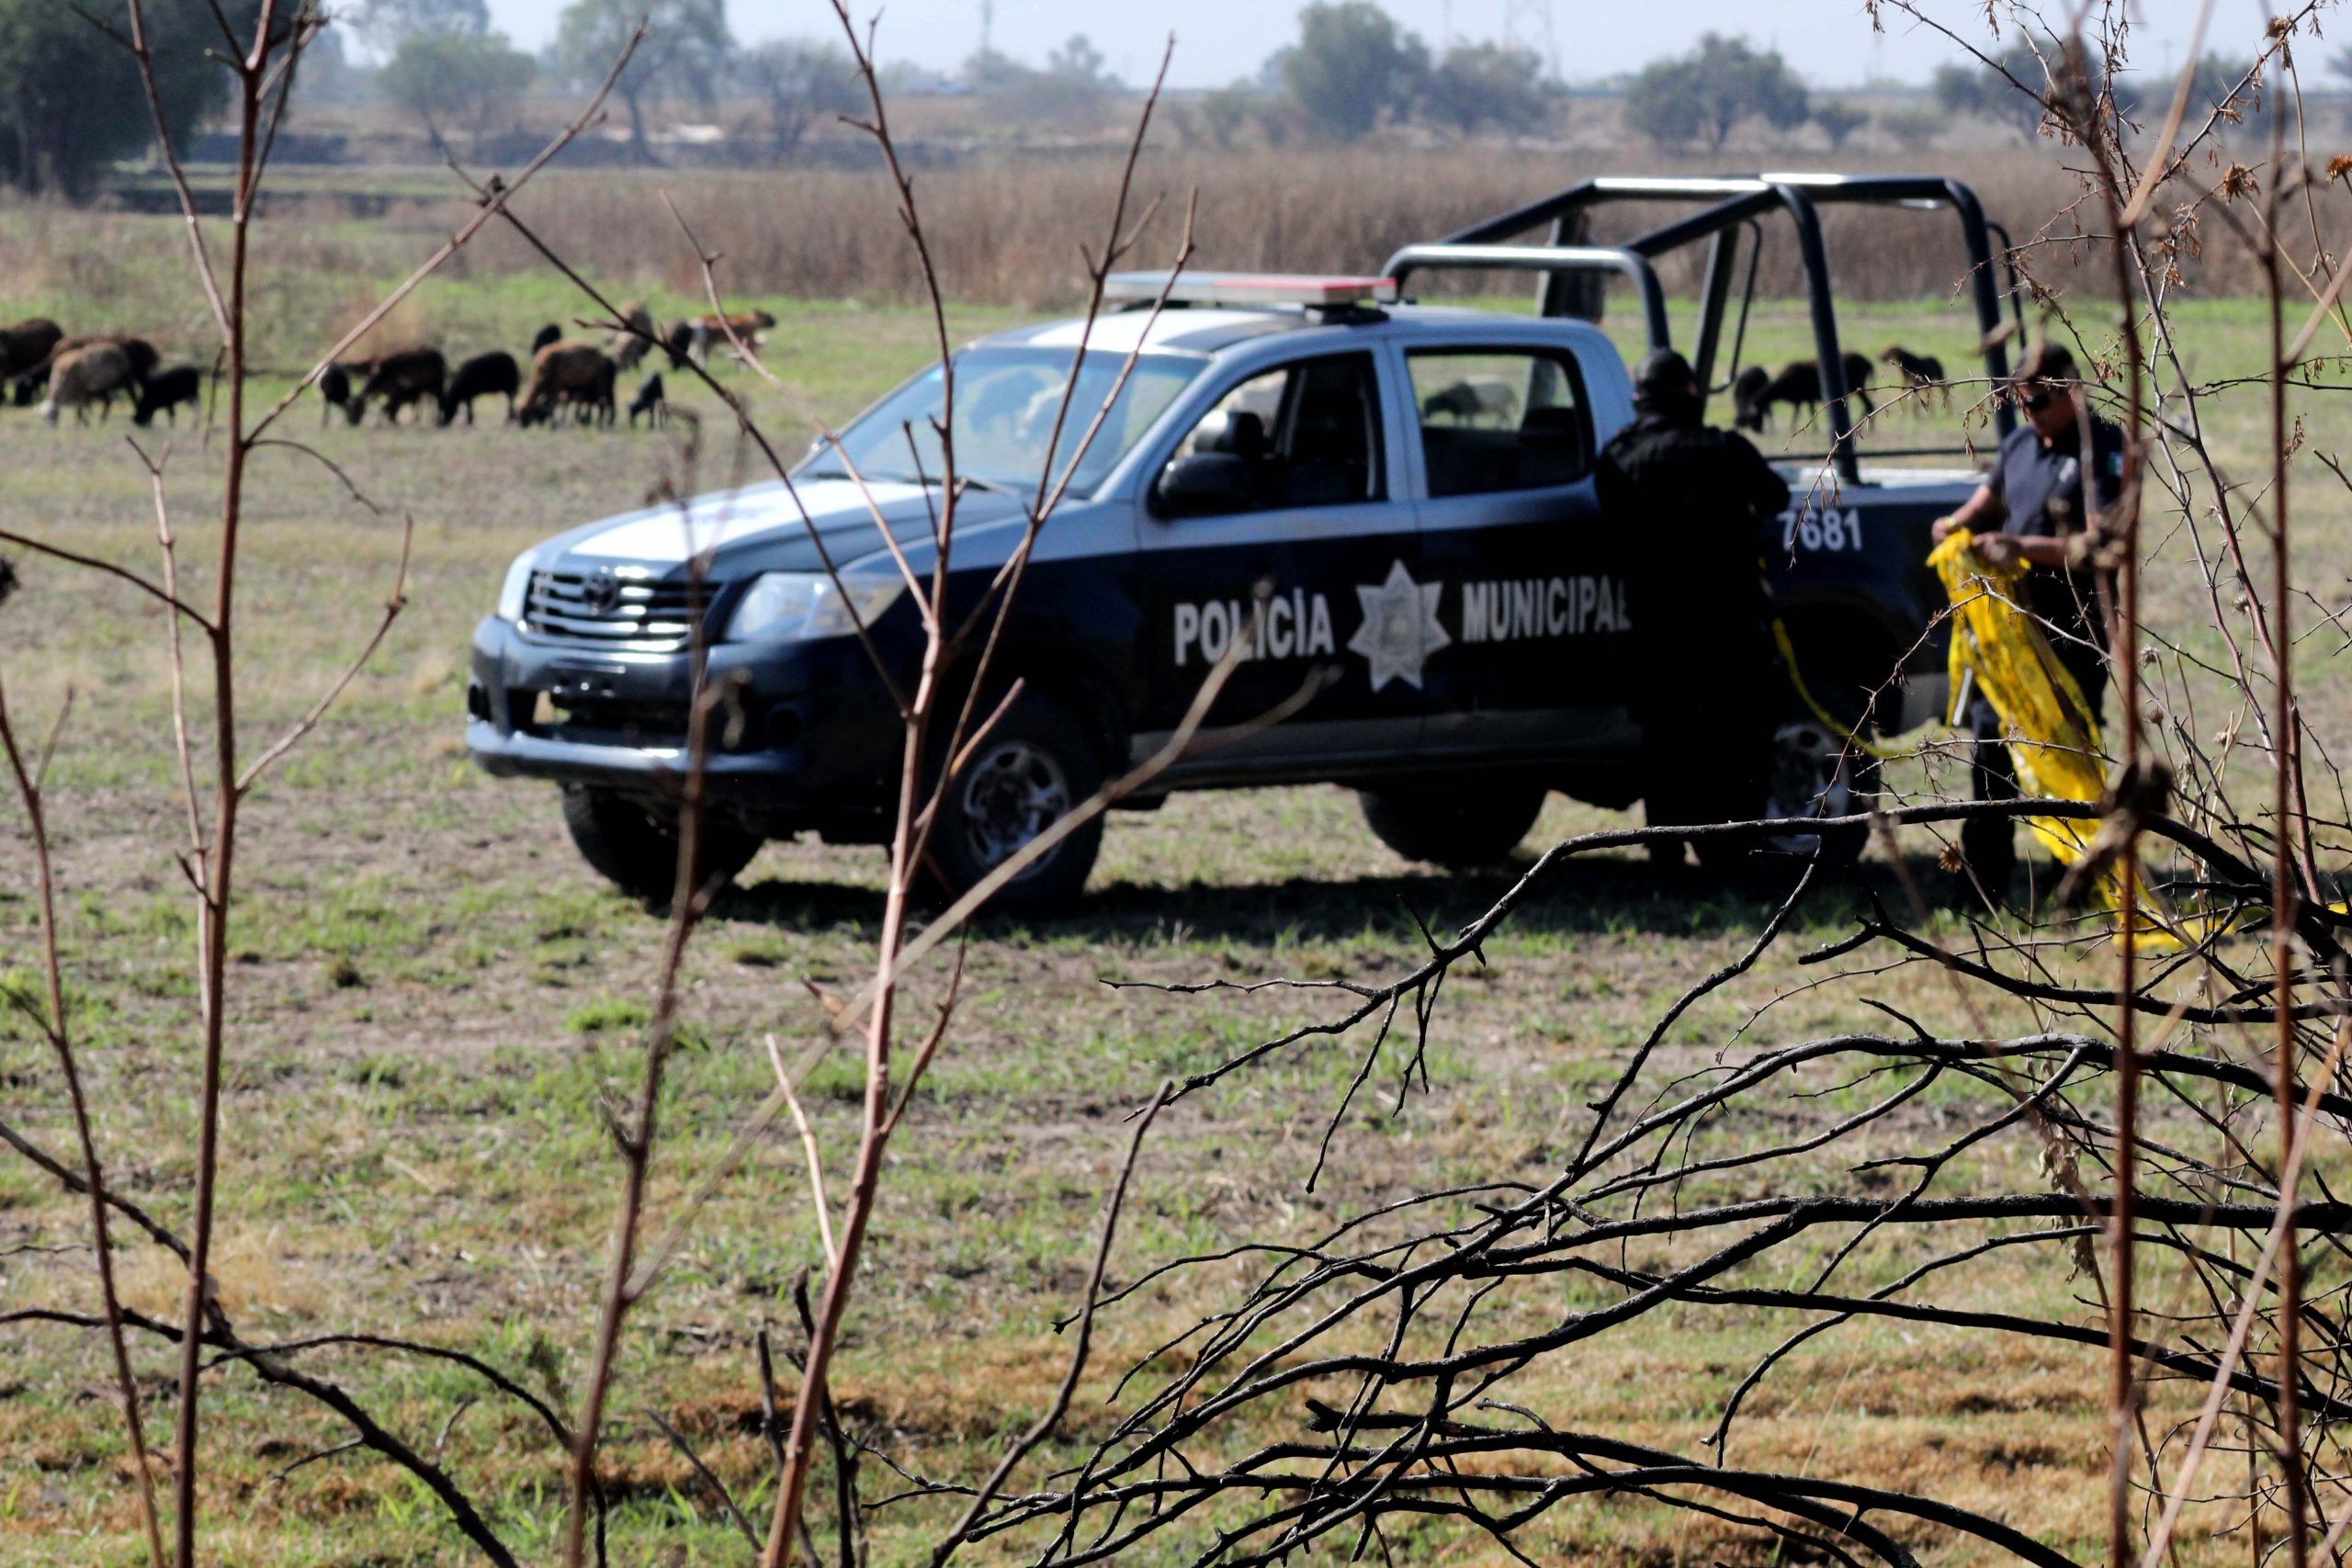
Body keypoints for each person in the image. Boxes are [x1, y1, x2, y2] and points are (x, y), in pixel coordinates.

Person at [1929, 340, 2123, 899]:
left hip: (2071, 627)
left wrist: (2019, 547)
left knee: (2067, 748)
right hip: (2010, 633)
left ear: (2070, 391)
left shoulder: (2101, 447)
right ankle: (1984, 880)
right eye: (2019, 403)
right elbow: (1983, 505)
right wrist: (1954, 527)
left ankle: (2075, 881)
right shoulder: (2019, 443)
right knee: (1991, 745)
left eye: (2038, 402)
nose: (2029, 414)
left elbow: (2100, 543)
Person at [1596, 347, 1791, 857]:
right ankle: (1731, 852)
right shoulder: (1724, 450)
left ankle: (1666, 853)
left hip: (1655, 632)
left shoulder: (1617, 458)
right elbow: (1776, 497)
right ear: (1689, 395)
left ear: (1639, 399)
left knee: (1666, 745)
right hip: (1728, 629)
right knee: (1736, 744)